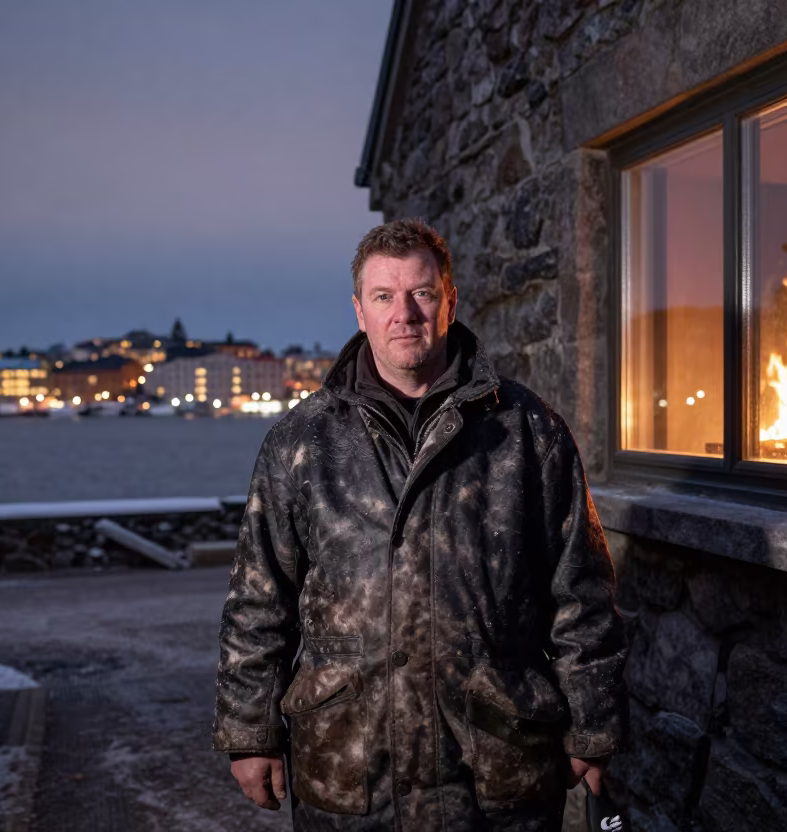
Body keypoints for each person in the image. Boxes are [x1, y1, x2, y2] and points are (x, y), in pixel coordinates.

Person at [213, 218, 628, 830]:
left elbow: (581, 592)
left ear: (449, 302)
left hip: (495, 765)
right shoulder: (302, 441)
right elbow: (258, 598)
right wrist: (251, 733)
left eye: (422, 293)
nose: (403, 313)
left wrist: (593, 727)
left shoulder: (527, 431)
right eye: (384, 296)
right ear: (360, 311)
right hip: (350, 765)